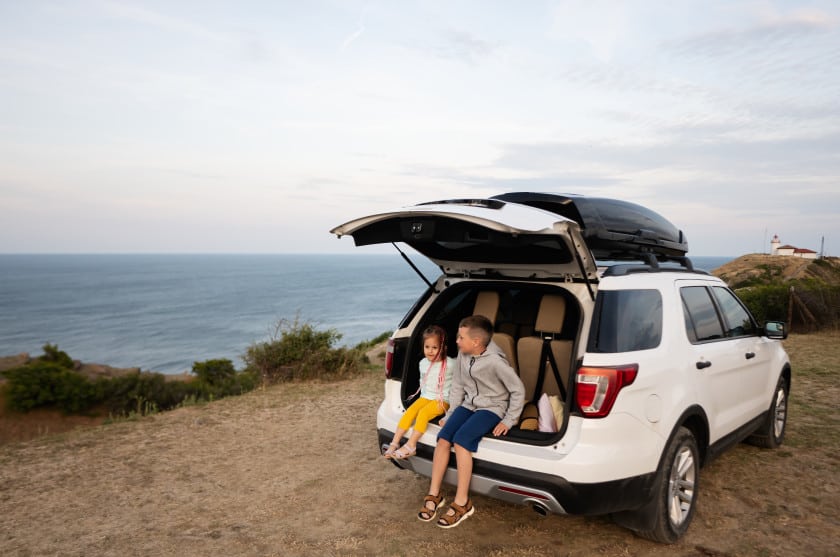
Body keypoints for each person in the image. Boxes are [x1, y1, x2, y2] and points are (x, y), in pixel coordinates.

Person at [417, 315, 525, 529]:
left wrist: (509, 419)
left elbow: (517, 389)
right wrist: (449, 416)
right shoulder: (464, 354)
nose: (456, 341)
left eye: (461, 337)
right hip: (469, 404)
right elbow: (457, 385)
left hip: (492, 407)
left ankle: (462, 503)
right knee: (443, 439)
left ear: (476, 342)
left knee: (461, 441)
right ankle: (434, 494)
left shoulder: (496, 362)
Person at [384, 325, 456, 460]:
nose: (430, 351)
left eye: (435, 347)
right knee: (410, 411)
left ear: (444, 348)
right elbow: (423, 381)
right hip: (426, 397)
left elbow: (465, 367)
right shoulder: (422, 363)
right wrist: (421, 400)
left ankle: (411, 445)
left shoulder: (451, 364)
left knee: (423, 413)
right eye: (427, 347)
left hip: (442, 400)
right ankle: (394, 442)